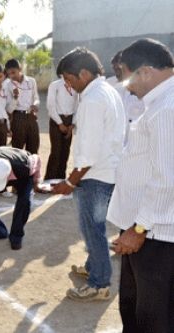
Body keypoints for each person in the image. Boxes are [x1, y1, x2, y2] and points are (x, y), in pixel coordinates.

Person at [106, 38, 174, 333]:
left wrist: (139, 228)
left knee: (154, 318)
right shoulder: (159, 104)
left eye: (126, 75)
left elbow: (167, 178)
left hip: (156, 234)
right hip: (146, 229)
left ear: (145, 71)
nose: (126, 85)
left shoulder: (167, 109)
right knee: (134, 308)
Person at [52, 47, 126, 301]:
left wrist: (70, 182)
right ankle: (94, 267)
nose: (68, 85)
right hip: (105, 170)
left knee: (92, 228)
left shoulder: (93, 99)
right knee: (93, 227)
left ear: (84, 73)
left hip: (95, 175)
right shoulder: (107, 92)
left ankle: (99, 284)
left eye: (69, 79)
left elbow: (90, 150)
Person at [44, 64, 79, 180]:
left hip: (70, 121)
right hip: (56, 120)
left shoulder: (75, 86)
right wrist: (60, 123)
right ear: (62, 73)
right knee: (56, 151)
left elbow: (77, 105)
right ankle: (49, 178)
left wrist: (72, 124)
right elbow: (50, 106)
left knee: (65, 151)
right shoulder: (55, 85)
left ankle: (61, 178)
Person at [4, 59, 40, 154]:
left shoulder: (31, 81)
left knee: (33, 149)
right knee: (17, 151)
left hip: (31, 117)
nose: (11, 76)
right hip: (17, 119)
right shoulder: (8, 85)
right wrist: (15, 98)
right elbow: (9, 109)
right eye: (9, 74)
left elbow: (36, 97)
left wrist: (35, 105)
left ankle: (32, 168)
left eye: (13, 72)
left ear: (20, 69)